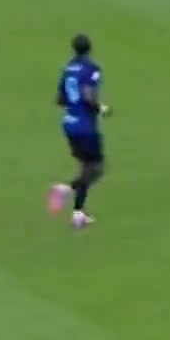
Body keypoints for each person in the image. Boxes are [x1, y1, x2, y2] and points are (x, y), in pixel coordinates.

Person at [49, 33, 108, 229]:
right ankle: (66, 191)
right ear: (89, 48)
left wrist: (74, 106)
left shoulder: (68, 68)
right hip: (85, 127)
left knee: (85, 166)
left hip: (69, 123)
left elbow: (59, 99)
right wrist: (100, 109)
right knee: (96, 167)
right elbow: (88, 95)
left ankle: (78, 213)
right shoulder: (91, 69)